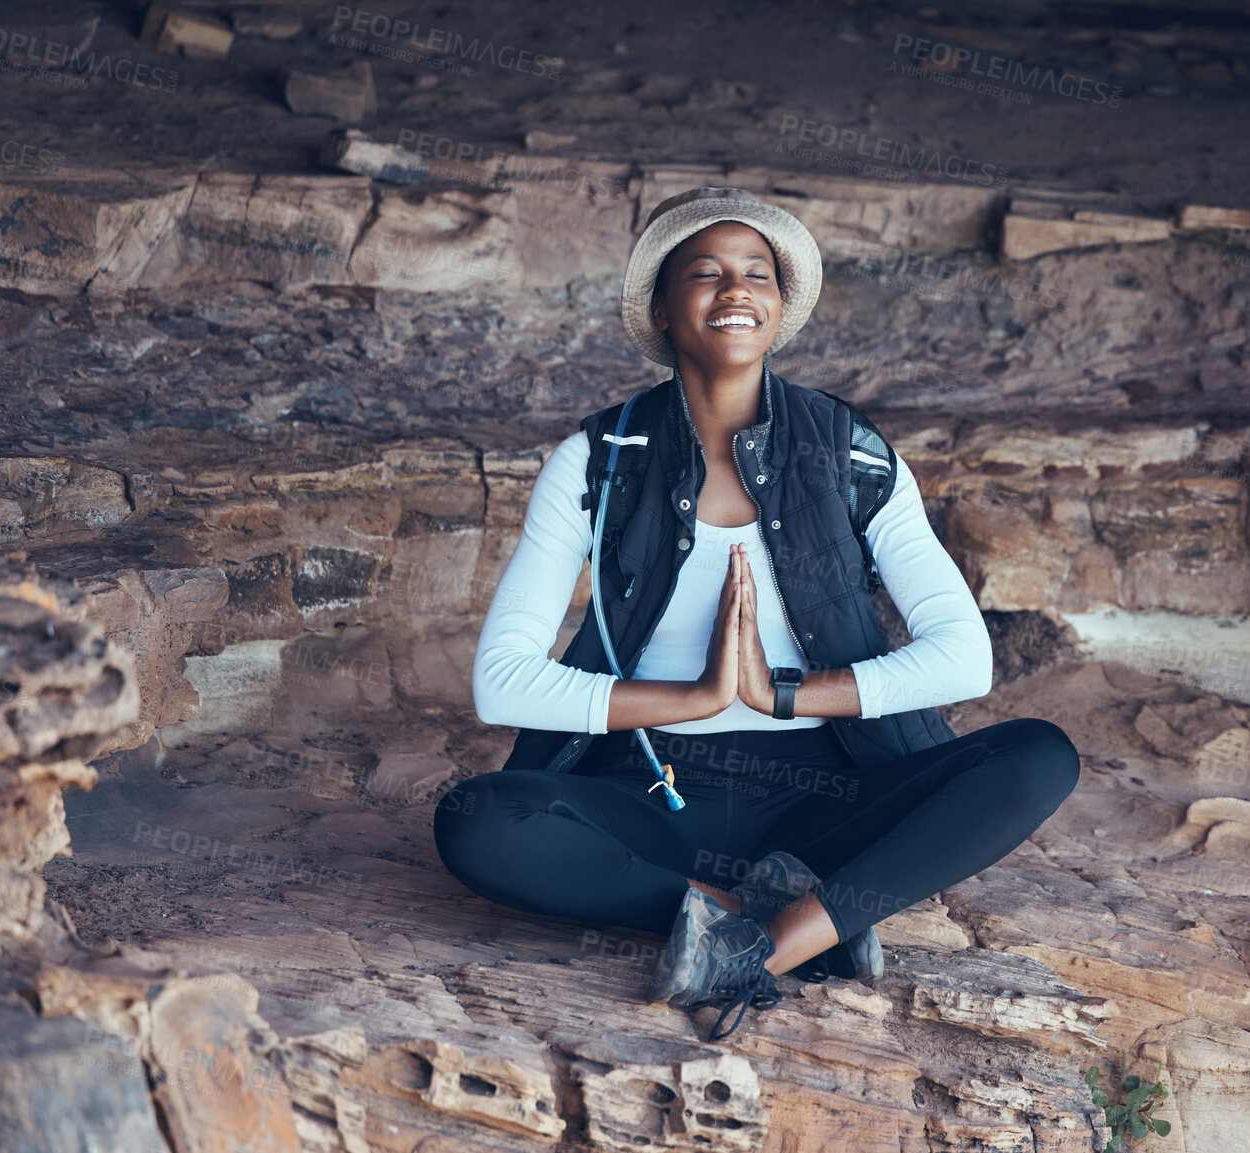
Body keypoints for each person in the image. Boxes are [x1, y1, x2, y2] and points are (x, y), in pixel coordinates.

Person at [434, 186, 1081, 1041]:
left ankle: (756, 947)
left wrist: (784, 695)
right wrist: (695, 698)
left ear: (778, 308)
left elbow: (963, 658)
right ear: (662, 309)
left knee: (1038, 756)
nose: (735, 290)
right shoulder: (597, 457)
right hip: (653, 791)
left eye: (757, 275)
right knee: (476, 821)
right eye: (705, 273)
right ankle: (807, 922)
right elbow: (502, 683)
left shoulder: (850, 452)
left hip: (825, 792)